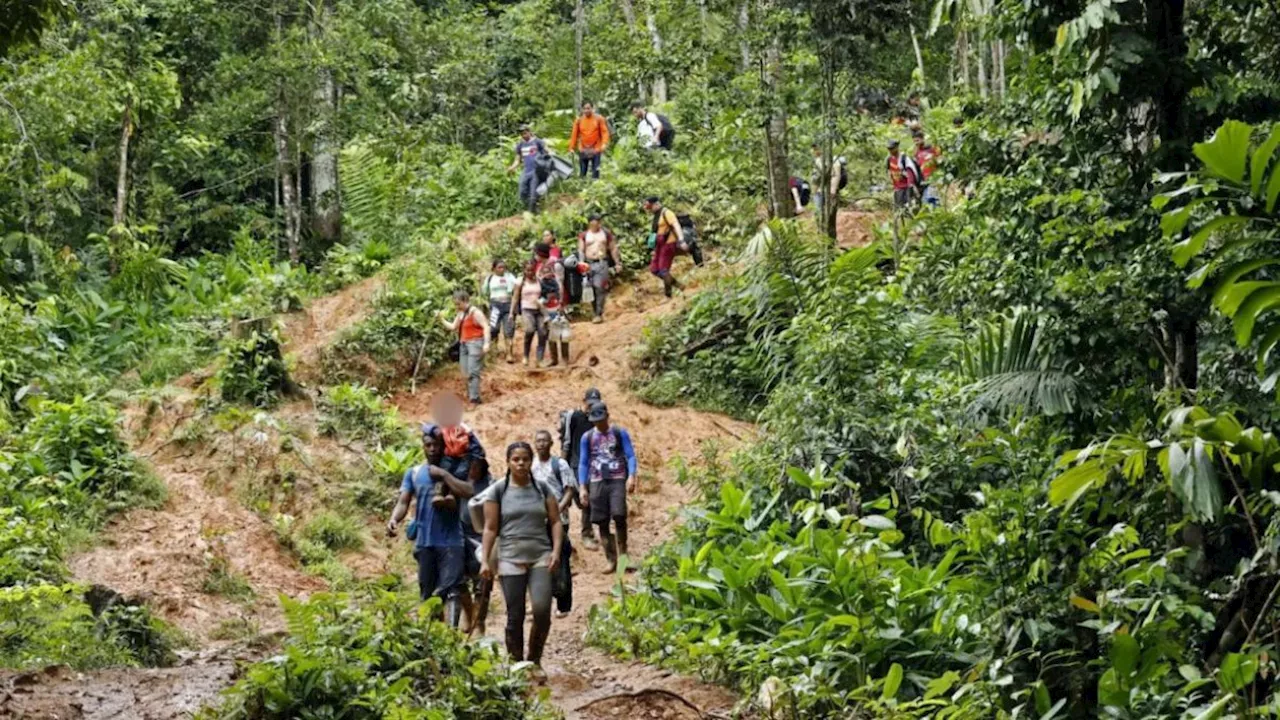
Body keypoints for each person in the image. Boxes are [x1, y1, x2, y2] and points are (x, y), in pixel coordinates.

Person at [480, 441, 562, 673]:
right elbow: (490, 528)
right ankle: (517, 665)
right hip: (509, 558)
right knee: (515, 615)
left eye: (525, 459)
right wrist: (486, 560)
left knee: (542, 610)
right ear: (508, 462)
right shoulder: (498, 490)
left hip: (540, 555)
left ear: (531, 461)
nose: (521, 463)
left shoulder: (543, 488)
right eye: (516, 459)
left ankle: (534, 660)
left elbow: (555, 521)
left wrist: (555, 551)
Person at [386, 425, 475, 627]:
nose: (433, 449)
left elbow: (468, 490)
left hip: (452, 541)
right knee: (428, 594)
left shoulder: (454, 470)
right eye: (428, 445)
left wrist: (444, 476)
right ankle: (436, 634)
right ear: (423, 447)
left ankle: (454, 633)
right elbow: (403, 501)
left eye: (436, 445)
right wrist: (394, 520)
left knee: (451, 589)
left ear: (444, 446)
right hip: (425, 542)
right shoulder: (414, 473)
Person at [577, 402, 637, 574]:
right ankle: (611, 559)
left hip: (617, 478)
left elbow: (630, 455)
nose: (599, 424)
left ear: (607, 416)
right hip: (597, 480)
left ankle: (624, 557)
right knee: (601, 520)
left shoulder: (619, 433)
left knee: (619, 516)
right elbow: (583, 462)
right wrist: (582, 487)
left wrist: (631, 476)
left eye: (601, 420)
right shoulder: (587, 438)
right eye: (596, 421)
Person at [533, 429, 577, 618]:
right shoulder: (531, 465)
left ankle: (563, 605)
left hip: (559, 519)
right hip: (537, 520)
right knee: (539, 562)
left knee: (560, 560)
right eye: (538, 441)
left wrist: (557, 510)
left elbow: (569, 490)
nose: (541, 444)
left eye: (545, 441)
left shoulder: (560, 464)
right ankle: (540, 601)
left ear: (551, 444)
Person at [560, 388, 602, 550]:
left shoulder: (597, 418)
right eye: (589, 403)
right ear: (584, 401)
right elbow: (567, 440)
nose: (592, 407)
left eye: (595, 404)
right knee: (576, 499)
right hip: (575, 463)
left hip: (592, 465)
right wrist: (563, 465)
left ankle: (587, 533)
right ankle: (576, 535)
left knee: (588, 500)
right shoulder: (575, 417)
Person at [440, 290, 489, 405]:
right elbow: (453, 327)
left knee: (473, 371)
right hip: (463, 344)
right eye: (455, 304)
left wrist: (486, 343)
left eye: (458, 304)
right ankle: (471, 394)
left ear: (465, 301)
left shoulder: (475, 313)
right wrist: (441, 319)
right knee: (465, 372)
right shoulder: (460, 314)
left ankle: (474, 398)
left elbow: (486, 326)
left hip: (475, 343)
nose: (456, 306)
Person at [576, 214, 621, 323]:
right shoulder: (584, 235)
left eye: (598, 221)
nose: (596, 224)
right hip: (589, 263)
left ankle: (598, 313)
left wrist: (617, 263)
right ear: (590, 223)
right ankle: (595, 311)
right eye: (594, 221)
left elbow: (613, 248)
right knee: (590, 288)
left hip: (602, 262)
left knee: (600, 287)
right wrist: (581, 262)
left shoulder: (606, 234)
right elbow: (581, 249)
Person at [533, 243, 570, 367]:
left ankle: (565, 358)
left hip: (555, 302)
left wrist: (561, 302)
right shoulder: (540, 266)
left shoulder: (555, 264)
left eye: (535, 253)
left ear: (540, 254)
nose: (534, 256)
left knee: (561, 329)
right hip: (545, 304)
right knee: (550, 331)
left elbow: (560, 283)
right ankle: (554, 359)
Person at [643, 196, 684, 298]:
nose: (650, 210)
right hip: (659, 245)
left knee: (663, 270)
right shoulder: (656, 215)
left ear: (656, 204)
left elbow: (676, 225)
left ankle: (668, 295)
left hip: (669, 244)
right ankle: (679, 285)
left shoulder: (667, 213)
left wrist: (681, 240)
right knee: (654, 269)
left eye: (651, 207)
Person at [482, 259, 519, 364]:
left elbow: (517, 286)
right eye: (499, 267)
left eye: (503, 267)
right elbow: (484, 291)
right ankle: (494, 351)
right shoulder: (490, 278)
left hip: (508, 305)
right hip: (495, 305)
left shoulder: (509, 277)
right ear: (494, 268)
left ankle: (509, 354)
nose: (502, 269)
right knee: (494, 329)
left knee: (509, 329)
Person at [513, 260, 548, 367]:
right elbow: (515, 297)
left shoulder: (539, 280)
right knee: (530, 330)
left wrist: (544, 301)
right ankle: (526, 356)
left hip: (539, 310)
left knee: (543, 333)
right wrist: (512, 312)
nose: (530, 272)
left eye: (532, 270)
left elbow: (545, 294)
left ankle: (539, 359)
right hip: (527, 309)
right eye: (527, 270)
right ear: (524, 270)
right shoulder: (520, 282)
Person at [507, 124, 547, 214]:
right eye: (522, 134)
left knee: (533, 194)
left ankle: (531, 213)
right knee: (522, 191)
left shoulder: (538, 142)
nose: (524, 136)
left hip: (536, 171)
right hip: (526, 170)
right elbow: (517, 159)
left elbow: (546, 151)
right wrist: (512, 167)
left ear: (529, 132)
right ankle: (532, 209)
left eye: (525, 133)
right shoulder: (520, 145)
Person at [568, 101, 610, 180]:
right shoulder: (579, 120)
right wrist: (571, 148)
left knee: (595, 172)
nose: (586, 110)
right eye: (584, 109)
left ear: (592, 108)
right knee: (582, 172)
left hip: (596, 148)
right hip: (583, 149)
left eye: (588, 108)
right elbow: (574, 135)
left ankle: (595, 189)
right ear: (582, 110)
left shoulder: (599, 119)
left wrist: (604, 143)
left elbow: (605, 132)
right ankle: (582, 189)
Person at [886, 139, 922, 211]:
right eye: (889, 149)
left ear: (897, 147)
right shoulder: (889, 159)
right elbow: (890, 172)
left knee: (912, 209)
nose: (890, 151)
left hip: (907, 189)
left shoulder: (904, 158)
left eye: (892, 148)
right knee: (900, 210)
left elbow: (910, 172)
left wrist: (911, 186)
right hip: (898, 189)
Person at [913, 130, 941, 208]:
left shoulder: (932, 148)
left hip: (933, 178)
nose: (916, 143)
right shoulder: (916, 152)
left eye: (917, 140)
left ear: (923, 139)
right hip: (923, 181)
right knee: (929, 202)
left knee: (930, 200)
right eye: (914, 141)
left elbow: (940, 160)